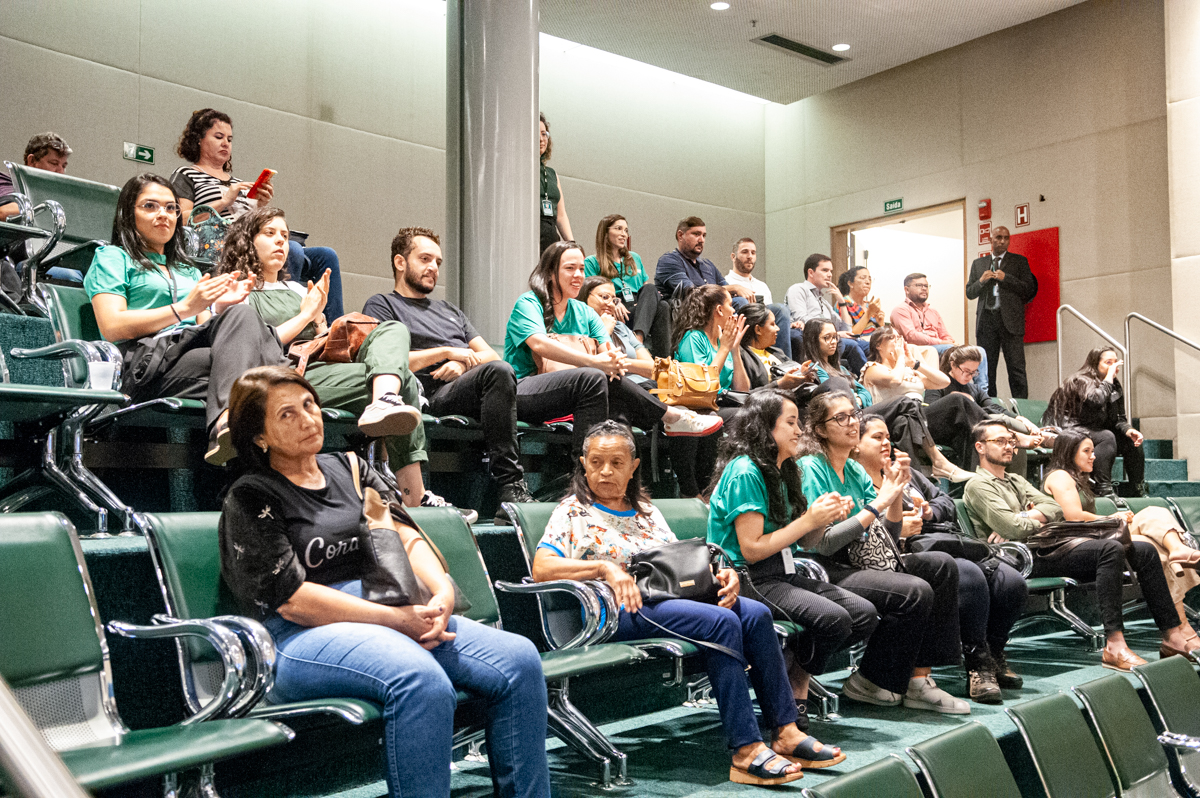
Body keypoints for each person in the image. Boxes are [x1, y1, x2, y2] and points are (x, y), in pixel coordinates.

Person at [218, 366, 550, 798]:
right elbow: (293, 600)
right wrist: (396, 620)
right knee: (421, 681)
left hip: (384, 611)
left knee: (520, 659)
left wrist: (442, 589)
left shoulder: (352, 468)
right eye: (287, 414)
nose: (307, 419)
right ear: (259, 437)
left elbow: (405, 535)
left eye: (309, 404)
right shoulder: (251, 495)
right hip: (297, 636)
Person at [535, 421, 844, 785]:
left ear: (634, 467)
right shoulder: (572, 512)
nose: (605, 471)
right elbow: (542, 568)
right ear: (583, 465)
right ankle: (746, 749)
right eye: (596, 462)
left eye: (616, 463)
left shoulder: (646, 511)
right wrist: (604, 568)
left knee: (756, 614)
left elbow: (681, 560)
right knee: (720, 622)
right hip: (616, 611)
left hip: (665, 600)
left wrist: (722, 574)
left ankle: (786, 731)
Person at [217, 211, 473, 521]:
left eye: (284, 235)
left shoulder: (299, 290)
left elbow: (316, 345)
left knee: (393, 334)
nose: (281, 242)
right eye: (270, 234)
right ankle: (415, 498)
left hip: (314, 370)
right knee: (404, 380)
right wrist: (305, 316)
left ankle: (384, 402)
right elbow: (250, 348)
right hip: (274, 375)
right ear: (248, 240)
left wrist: (322, 326)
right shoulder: (234, 288)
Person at [83, 173, 287, 466]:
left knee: (241, 315)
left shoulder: (188, 270)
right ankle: (263, 413)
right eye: (150, 206)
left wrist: (219, 308)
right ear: (128, 213)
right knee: (261, 376)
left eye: (171, 208)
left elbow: (202, 327)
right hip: (147, 362)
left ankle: (227, 423)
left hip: (189, 356)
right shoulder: (113, 257)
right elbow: (112, 327)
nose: (163, 215)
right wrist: (183, 308)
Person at [705, 389, 877, 729]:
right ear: (765, 427)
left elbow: (806, 540)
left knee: (863, 613)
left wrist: (825, 519)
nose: (799, 431)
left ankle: (791, 678)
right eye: (791, 423)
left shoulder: (784, 469)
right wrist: (808, 520)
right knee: (833, 619)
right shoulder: (746, 470)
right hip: (745, 577)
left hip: (781, 571)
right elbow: (752, 548)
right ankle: (794, 692)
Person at [964, 419, 1192, 671]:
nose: (1008, 446)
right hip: (1021, 557)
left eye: (1011, 441)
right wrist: (1025, 519)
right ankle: (1115, 646)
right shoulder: (978, 485)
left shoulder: (1016, 480)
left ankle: (1172, 637)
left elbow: (1054, 509)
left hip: (1049, 546)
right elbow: (1014, 528)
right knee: (1110, 549)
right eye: (1000, 441)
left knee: (1145, 551)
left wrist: (1024, 515)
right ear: (980, 447)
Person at [797, 390, 969, 714]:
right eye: (841, 418)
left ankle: (919, 680)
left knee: (941, 566)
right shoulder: (811, 467)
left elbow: (885, 536)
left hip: (861, 559)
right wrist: (878, 503)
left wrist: (895, 495)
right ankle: (871, 679)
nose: (852, 423)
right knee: (913, 590)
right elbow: (824, 543)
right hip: (823, 566)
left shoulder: (854, 470)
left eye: (854, 415)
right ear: (820, 430)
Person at [362, 227, 534, 523]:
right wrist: (446, 352)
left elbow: (491, 357)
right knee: (497, 374)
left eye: (437, 262)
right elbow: (386, 360)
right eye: (425, 259)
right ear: (400, 262)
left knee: (500, 371)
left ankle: (511, 487)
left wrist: (463, 364)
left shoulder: (449, 310)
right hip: (423, 392)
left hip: (463, 387)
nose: (433, 268)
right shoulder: (382, 304)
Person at [852, 415, 1028, 703]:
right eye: (877, 437)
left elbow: (945, 501)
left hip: (942, 540)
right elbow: (859, 530)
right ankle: (978, 665)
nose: (886, 443)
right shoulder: (855, 478)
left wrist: (928, 511)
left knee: (1011, 582)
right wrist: (897, 527)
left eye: (888, 437)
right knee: (970, 576)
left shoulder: (906, 472)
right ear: (856, 444)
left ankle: (994, 652)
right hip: (908, 552)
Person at [503, 240, 722, 457]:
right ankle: (671, 417)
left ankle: (601, 470)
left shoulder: (584, 311)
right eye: (570, 268)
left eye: (581, 269)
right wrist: (594, 362)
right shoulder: (529, 303)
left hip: (573, 390)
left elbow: (608, 354)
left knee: (612, 391)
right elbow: (539, 344)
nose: (578, 275)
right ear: (551, 273)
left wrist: (610, 361)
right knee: (594, 376)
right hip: (524, 391)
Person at [1041, 427, 1200, 660]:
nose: (1093, 456)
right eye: (1087, 451)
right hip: (1078, 542)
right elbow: (1073, 516)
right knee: (1153, 540)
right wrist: (1111, 518)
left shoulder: (1080, 478)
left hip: (1097, 535)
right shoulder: (1060, 476)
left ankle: (1178, 551)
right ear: (1069, 452)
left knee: (1155, 521)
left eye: (1093, 451)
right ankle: (1181, 628)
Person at [170, 108, 344, 318]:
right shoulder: (187, 174)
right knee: (294, 250)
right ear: (199, 139)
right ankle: (286, 312)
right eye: (218, 137)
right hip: (221, 243)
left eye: (229, 139)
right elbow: (181, 219)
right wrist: (224, 201)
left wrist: (260, 205)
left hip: (253, 238)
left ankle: (335, 328)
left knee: (326, 255)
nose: (226, 143)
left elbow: (251, 223)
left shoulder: (237, 182)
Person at [804, 320, 971, 483]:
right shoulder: (817, 369)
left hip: (875, 414)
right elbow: (834, 394)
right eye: (827, 338)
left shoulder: (841, 369)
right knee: (905, 401)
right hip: (852, 417)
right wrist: (900, 358)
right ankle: (937, 460)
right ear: (813, 341)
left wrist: (913, 364)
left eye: (835, 337)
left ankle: (916, 483)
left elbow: (864, 394)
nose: (833, 341)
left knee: (903, 421)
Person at [654, 217, 798, 359]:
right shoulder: (669, 260)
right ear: (680, 235)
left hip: (721, 311)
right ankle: (748, 360)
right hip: (695, 314)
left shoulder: (707, 265)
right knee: (740, 302)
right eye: (696, 234)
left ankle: (782, 362)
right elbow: (693, 292)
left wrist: (734, 290)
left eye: (704, 235)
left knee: (780, 310)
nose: (701, 239)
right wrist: (735, 287)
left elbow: (726, 290)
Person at [861, 326, 980, 480]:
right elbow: (895, 380)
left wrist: (915, 364)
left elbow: (944, 382)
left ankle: (977, 474)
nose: (897, 342)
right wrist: (901, 358)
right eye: (892, 338)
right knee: (904, 419)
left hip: (920, 420)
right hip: (890, 420)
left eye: (899, 338)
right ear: (878, 345)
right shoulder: (872, 368)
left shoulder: (908, 370)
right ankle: (931, 469)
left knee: (959, 408)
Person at [926, 345, 1051, 468]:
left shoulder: (975, 389)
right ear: (953, 365)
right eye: (966, 371)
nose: (969, 376)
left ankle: (1000, 475)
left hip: (963, 432)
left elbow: (993, 408)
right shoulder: (939, 383)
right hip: (937, 429)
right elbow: (933, 410)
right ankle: (1011, 435)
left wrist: (1021, 418)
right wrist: (960, 401)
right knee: (958, 400)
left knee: (979, 436)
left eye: (973, 372)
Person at [1043, 347, 1145, 497]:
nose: (1114, 367)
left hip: (1093, 430)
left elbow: (1119, 419)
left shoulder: (1114, 385)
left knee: (1130, 440)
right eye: (1108, 363)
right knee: (1106, 436)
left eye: (1115, 362)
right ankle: (1103, 488)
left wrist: (1129, 430)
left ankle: (1137, 488)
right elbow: (1096, 400)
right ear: (1095, 363)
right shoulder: (1081, 380)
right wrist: (1109, 378)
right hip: (1069, 429)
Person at [965, 227, 1037, 398]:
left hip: (1010, 322)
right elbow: (970, 293)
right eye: (998, 237)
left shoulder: (1019, 261)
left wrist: (1007, 279)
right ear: (991, 240)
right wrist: (981, 281)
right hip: (986, 322)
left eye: (1006, 238)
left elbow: (1028, 289)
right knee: (986, 370)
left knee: (1016, 368)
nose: (1002, 241)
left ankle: (1021, 407)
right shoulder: (978, 263)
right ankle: (989, 405)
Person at [583, 215, 668, 356]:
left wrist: (646, 304)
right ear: (605, 232)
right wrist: (614, 301)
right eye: (618, 229)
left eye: (626, 230)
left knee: (657, 298)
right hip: (617, 308)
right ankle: (652, 353)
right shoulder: (592, 262)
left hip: (638, 306)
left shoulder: (635, 258)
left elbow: (646, 288)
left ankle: (647, 345)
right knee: (662, 305)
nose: (624, 234)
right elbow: (589, 293)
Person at [890, 272, 988, 393]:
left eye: (926, 286)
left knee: (979, 351)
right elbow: (912, 336)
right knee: (948, 348)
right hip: (920, 349)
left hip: (942, 347)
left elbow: (946, 335)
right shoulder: (900, 310)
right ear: (906, 289)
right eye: (919, 285)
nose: (924, 288)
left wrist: (951, 343)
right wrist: (941, 342)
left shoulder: (933, 311)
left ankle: (983, 393)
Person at [784, 254, 867, 374]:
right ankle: (866, 380)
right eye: (825, 270)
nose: (830, 274)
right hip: (811, 339)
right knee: (852, 346)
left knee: (872, 346)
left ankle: (879, 379)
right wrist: (834, 334)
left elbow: (846, 329)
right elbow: (802, 319)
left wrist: (842, 302)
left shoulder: (824, 301)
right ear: (811, 272)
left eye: (831, 271)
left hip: (831, 338)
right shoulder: (798, 289)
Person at [735, 303, 817, 404]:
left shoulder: (777, 352)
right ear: (758, 329)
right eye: (773, 324)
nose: (778, 328)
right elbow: (744, 396)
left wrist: (803, 375)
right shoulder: (740, 356)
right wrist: (779, 384)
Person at [580, 276, 654, 385]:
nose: (610, 304)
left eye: (614, 300)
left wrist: (617, 362)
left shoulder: (620, 327)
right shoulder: (579, 328)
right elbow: (589, 364)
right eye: (605, 297)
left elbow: (651, 367)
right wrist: (604, 331)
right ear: (585, 296)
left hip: (645, 385)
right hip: (615, 387)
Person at [0, 132, 72, 221]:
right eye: (54, 163)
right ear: (32, 161)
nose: (60, 171)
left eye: (64, 166)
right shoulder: (5, 181)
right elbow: (4, 212)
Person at [538, 113, 573, 255]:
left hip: (550, 238)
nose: (541, 139)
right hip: (528, 234)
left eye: (544, 134)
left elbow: (561, 215)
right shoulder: (521, 170)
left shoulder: (552, 174)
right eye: (536, 134)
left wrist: (572, 245)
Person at [836, 266, 884, 345]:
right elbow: (850, 335)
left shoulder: (869, 305)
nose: (868, 282)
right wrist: (868, 313)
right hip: (858, 347)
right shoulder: (843, 303)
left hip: (875, 346)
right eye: (863, 278)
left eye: (869, 279)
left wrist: (880, 323)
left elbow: (881, 336)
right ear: (850, 283)